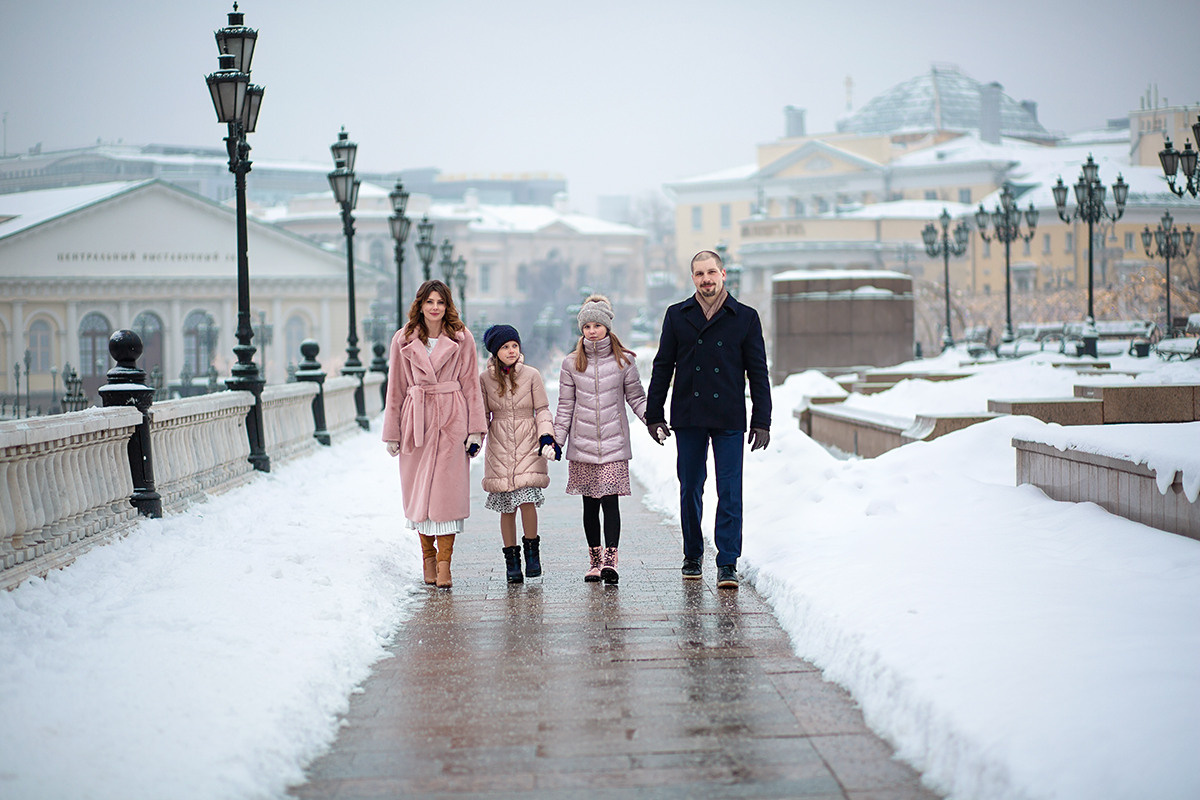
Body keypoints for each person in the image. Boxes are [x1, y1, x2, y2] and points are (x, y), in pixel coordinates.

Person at [645, 250, 771, 589]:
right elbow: (662, 366)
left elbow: (758, 372)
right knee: (690, 488)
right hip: (688, 413)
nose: (706, 279)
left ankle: (728, 561)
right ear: (693, 278)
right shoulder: (677, 315)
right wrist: (653, 414)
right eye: (699, 274)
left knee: (730, 490)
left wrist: (762, 420)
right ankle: (692, 554)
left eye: (711, 272)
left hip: (729, 413)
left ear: (723, 274)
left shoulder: (745, 317)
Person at [382, 279, 486, 589]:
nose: (435, 308)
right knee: (420, 495)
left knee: (447, 495)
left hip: (452, 420)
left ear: (448, 305)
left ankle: (445, 565)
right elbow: (396, 388)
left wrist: (475, 430)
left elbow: (470, 385)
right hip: (417, 420)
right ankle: (427, 557)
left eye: (440, 302)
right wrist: (393, 432)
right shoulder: (402, 340)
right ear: (420, 305)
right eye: (430, 302)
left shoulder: (461, 338)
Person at [554, 295, 648, 585]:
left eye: (597, 325)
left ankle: (611, 559)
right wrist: (556, 440)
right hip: (582, 446)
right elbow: (565, 405)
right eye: (587, 326)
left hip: (613, 443)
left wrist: (653, 421)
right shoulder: (571, 363)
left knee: (610, 501)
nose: (592, 331)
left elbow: (636, 397)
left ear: (607, 327)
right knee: (590, 504)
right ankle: (594, 560)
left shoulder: (624, 361)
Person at [479, 324, 560, 584]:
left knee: (526, 499)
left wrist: (546, 435)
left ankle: (532, 554)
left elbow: (543, 409)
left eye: (514, 345)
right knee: (506, 505)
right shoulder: (485, 380)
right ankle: (511, 561)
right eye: (505, 347)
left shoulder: (532, 375)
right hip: (500, 444)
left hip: (527, 440)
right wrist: (473, 441)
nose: (511, 350)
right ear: (495, 351)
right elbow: (481, 417)